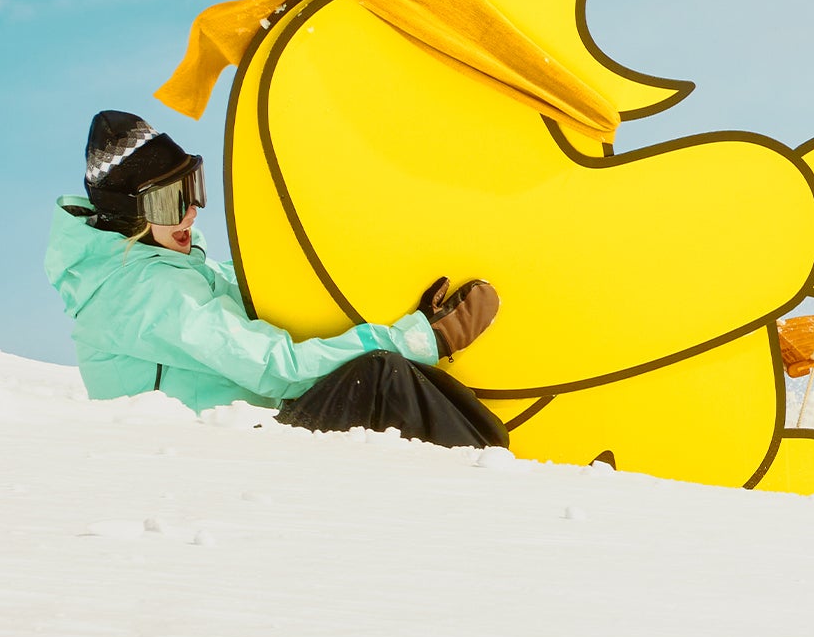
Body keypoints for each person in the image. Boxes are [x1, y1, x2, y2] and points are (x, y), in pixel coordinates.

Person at [45, 109, 507, 448]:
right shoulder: (144, 294)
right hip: (215, 464)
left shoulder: (174, 269)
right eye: (170, 201)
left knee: (385, 374)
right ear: (132, 216)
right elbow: (273, 368)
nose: (190, 211)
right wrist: (425, 338)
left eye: (192, 189)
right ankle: (500, 484)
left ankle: (505, 457)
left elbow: (264, 303)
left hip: (242, 445)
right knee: (381, 376)